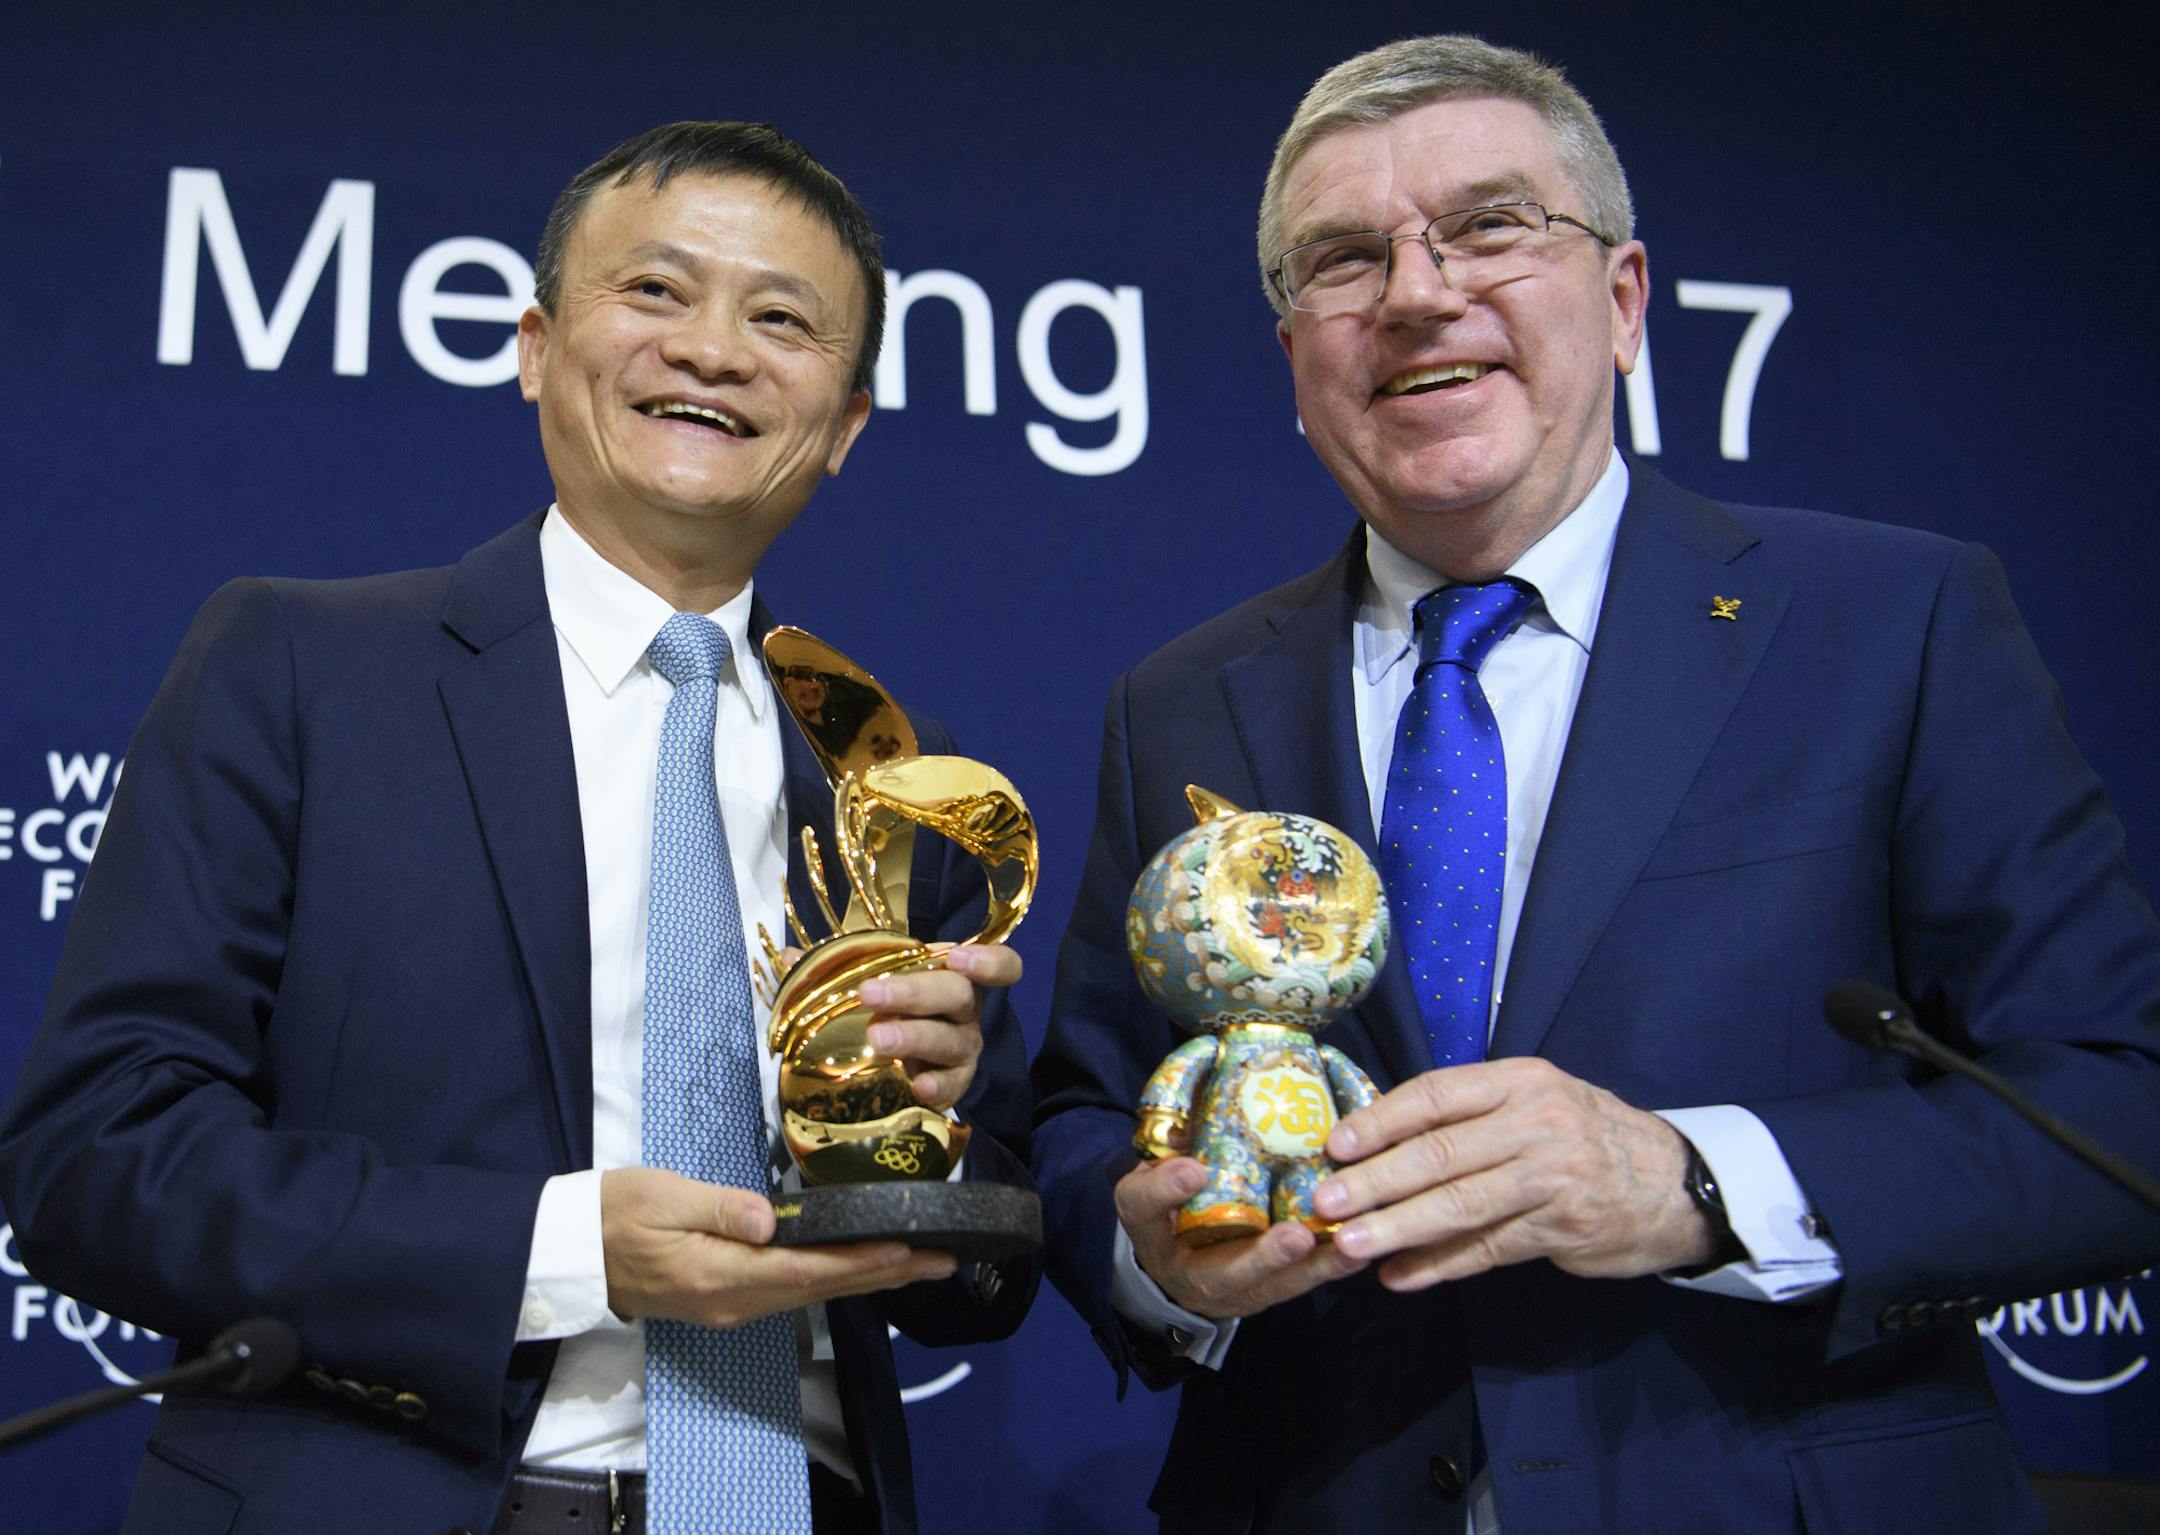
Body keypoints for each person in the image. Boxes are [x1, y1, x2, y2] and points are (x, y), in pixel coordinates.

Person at [1030, 34, 2160, 1535]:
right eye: (1345, 259)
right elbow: (1086, 1114)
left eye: (1489, 226)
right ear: (1295, 354)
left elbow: (2116, 1106)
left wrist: (1691, 1181)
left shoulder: (1894, 622)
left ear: (1623, 302)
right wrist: (1153, 1259)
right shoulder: (1178, 703)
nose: (1417, 293)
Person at [0, 121, 1036, 1535]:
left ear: (846, 424)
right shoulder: (300, 669)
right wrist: (568, 1251)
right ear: (538, 347)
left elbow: (989, 1283)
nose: (713, 351)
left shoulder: (889, 773)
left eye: (781, 321)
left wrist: (931, 1143)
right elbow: (98, 1159)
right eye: (657, 291)